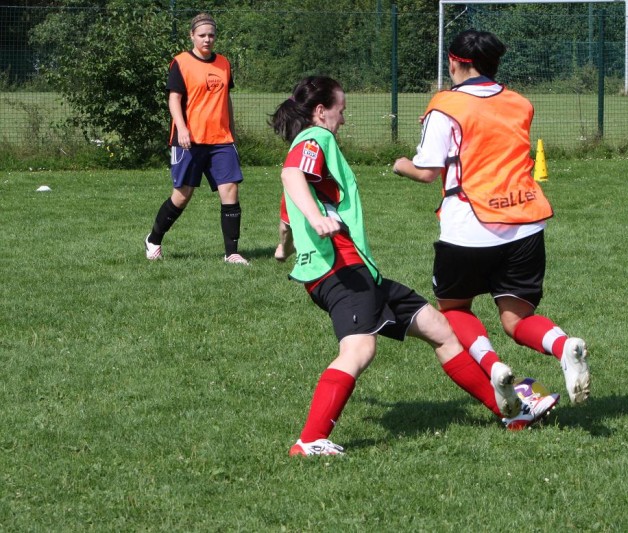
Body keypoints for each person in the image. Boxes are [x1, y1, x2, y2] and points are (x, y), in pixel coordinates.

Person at [271, 76, 560, 456]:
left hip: (356, 271)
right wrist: (318, 220)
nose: (344, 118)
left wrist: (283, 248)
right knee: (359, 349)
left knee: (440, 329)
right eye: (341, 110)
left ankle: (511, 413)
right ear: (321, 112)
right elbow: (291, 175)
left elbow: (287, 217)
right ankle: (310, 440)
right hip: (341, 270)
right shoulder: (315, 138)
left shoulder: (311, 152)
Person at [393, 30, 591, 405]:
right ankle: (563, 345)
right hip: (525, 223)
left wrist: (400, 164)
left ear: (454, 62)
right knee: (517, 320)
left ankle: (493, 366)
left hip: (469, 226)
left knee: (454, 309)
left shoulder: (445, 104)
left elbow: (427, 171)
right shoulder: (520, 102)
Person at [144, 12, 249, 265]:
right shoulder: (181, 63)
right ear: (192, 35)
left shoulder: (223, 63)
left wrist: (232, 131)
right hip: (189, 141)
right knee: (182, 195)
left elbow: (226, 99)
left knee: (230, 190)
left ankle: (231, 253)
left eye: (211, 35)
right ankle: (154, 239)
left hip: (221, 139)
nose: (207, 39)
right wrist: (181, 128)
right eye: (202, 35)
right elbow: (174, 99)